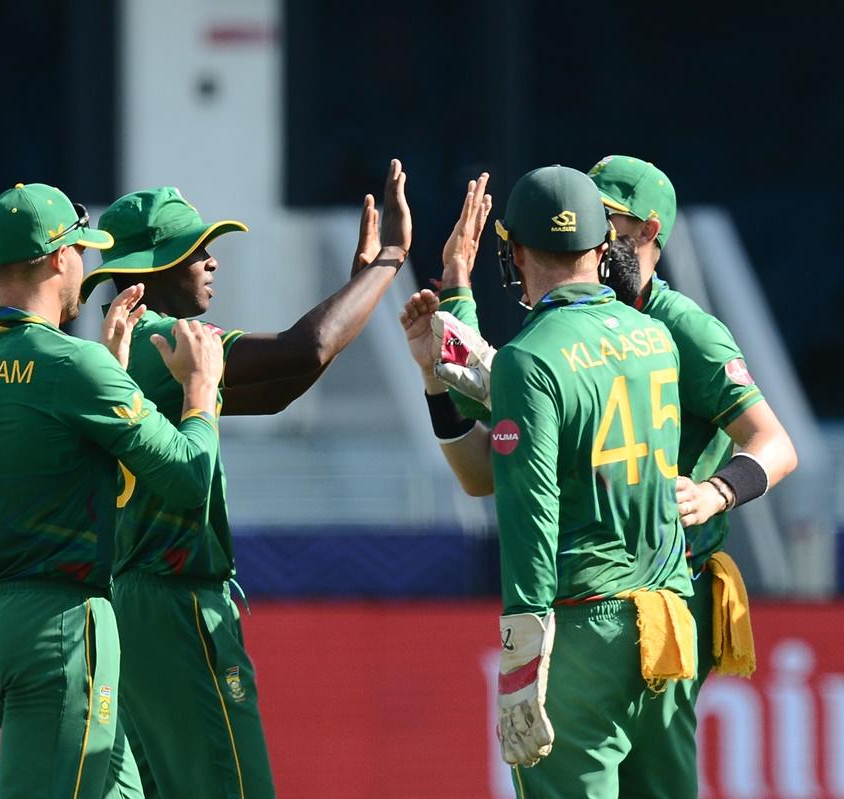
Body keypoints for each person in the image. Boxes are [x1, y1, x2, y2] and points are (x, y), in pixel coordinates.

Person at [80, 159, 412, 798]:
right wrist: (389, 262)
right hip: (174, 603)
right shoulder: (161, 341)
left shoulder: (141, 347)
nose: (212, 261)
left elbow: (281, 387)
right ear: (151, 266)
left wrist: (356, 290)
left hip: (139, 603)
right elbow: (303, 348)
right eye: (195, 250)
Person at [420, 157, 798, 696]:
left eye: (607, 217)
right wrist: (453, 300)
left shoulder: (683, 328)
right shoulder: (580, 320)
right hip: (594, 598)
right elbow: (487, 471)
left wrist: (718, 491)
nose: (589, 228)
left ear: (648, 231)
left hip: (668, 590)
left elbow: (776, 443)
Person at [404, 166, 697, 797]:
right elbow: (539, 402)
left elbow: (524, 508)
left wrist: (520, 659)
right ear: (601, 249)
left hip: (582, 634)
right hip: (669, 625)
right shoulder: (656, 338)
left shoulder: (530, 358)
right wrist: (448, 351)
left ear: (513, 253)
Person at [0, 182, 227, 798]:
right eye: (82, 252)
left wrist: (109, 375)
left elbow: (47, 451)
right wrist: (201, 390)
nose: (86, 266)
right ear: (59, 258)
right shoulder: (71, 363)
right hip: (58, 627)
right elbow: (185, 478)